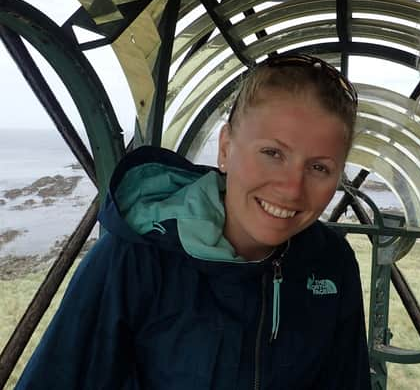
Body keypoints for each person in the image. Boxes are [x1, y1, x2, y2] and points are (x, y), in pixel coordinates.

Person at [16, 54, 371, 389]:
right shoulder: (136, 257)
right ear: (226, 149)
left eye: (319, 167)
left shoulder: (331, 262)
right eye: (272, 153)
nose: (292, 189)